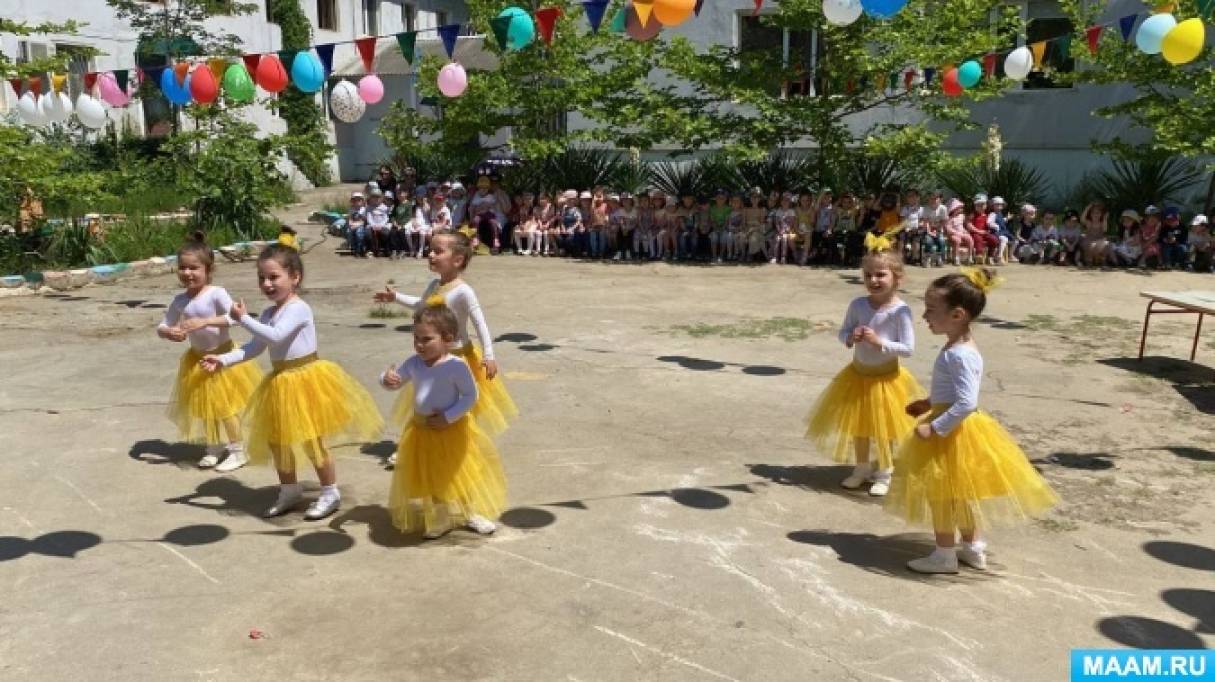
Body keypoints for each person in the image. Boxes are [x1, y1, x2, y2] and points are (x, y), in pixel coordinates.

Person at [887, 268, 1058, 574]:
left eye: (931, 310)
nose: (924, 316)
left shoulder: (959, 355)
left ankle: (944, 555)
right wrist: (928, 403)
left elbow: (967, 402)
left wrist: (935, 426)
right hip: (956, 424)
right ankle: (973, 547)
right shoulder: (960, 347)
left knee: (942, 495)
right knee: (960, 493)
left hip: (951, 431)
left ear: (957, 315)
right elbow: (954, 392)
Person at [201, 245, 383, 519]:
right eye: (262, 278)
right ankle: (289, 490)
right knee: (278, 441)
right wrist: (223, 359)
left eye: (274, 277)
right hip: (280, 382)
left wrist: (243, 319)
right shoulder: (267, 313)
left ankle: (329, 491)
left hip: (306, 379)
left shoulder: (299, 308)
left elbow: (276, 336)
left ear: (295, 277)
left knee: (312, 439)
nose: (267, 284)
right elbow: (254, 347)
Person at [375, 231, 517, 446]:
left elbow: (480, 323)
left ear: (457, 260)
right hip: (433, 355)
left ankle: (462, 446)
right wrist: (396, 297)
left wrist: (489, 355)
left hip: (459, 356)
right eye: (430, 250)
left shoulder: (464, 291)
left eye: (438, 251)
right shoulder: (434, 285)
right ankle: (424, 444)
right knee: (432, 400)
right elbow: (422, 305)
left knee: (460, 407)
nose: (430, 254)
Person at [381, 301, 507, 538]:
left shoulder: (456, 366)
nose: (419, 344)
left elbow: (471, 396)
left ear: (447, 338)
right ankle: (441, 518)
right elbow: (396, 381)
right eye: (416, 338)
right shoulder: (414, 363)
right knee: (433, 476)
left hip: (451, 431)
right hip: (421, 430)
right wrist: (386, 379)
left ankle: (469, 512)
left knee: (459, 472)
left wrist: (448, 417)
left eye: (427, 339)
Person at [805, 249, 922, 496]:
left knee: (883, 429)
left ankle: (885, 472)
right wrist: (850, 337)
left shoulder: (900, 311)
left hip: (886, 380)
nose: (873, 280)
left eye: (881, 275)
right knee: (859, 427)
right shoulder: (858, 305)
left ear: (897, 277)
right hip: (858, 376)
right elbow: (843, 331)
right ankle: (861, 468)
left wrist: (880, 343)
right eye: (868, 275)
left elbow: (908, 348)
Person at [158, 233, 262, 471]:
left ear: (208, 269)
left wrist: (205, 322)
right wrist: (169, 332)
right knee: (206, 407)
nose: (187, 273)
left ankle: (238, 451)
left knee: (225, 408)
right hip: (197, 360)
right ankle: (214, 446)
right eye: (182, 268)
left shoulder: (216, 293)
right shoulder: (180, 300)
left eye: (194, 268)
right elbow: (162, 325)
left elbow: (234, 318)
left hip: (222, 358)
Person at [967, 194, 1000, 263]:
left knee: (994, 239)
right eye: (978, 205)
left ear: (986, 205)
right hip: (975, 233)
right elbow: (969, 225)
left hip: (985, 233)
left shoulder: (988, 215)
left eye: (982, 204)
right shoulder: (973, 215)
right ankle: (979, 254)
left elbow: (990, 225)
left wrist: (990, 229)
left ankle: (990, 256)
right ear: (975, 206)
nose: (980, 207)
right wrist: (978, 231)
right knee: (978, 238)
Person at [944, 198, 973, 266]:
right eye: (959, 208)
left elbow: (962, 226)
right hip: (952, 234)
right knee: (957, 240)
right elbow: (948, 229)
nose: (961, 210)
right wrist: (956, 233)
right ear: (954, 209)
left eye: (961, 208)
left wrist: (965, 231)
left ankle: (970, 257)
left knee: (970, 239)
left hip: (961, 233)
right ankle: (956, 258)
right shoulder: (949, 218)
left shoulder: (961, 216)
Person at [1079, 201, 1110, 267]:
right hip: (1089, 240)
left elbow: (1105, 229)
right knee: (1091, 245)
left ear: (1101, 214)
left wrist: (1105, 219)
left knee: (1106, 244)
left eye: (1098, 213)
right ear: (1090, 214)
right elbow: (1082, 219)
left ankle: (1103, 260)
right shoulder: (1089, 222)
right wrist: (1087, 208)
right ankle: (1089, 260)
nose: (1095, 215)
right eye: (1093, 213)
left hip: (1099, 240)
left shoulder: (1102, 223)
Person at [366, 188, 391, 257]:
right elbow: (369, 217)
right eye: (374, 197)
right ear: (371, 198)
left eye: (378, 197)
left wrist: (380, 225)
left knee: (386, 233)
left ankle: (386, 249)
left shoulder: (385, 207)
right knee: (368, 233)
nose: (376, 199)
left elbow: (386, 218)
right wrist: (373, 225)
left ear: (381, 198)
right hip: (372, 225)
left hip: (382, 225)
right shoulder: (369, 207)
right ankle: (371, 250)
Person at [346, 191, 368, 257]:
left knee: (359, 233)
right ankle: (353, 247)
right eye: (355, 200)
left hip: (361, 225)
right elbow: (350, 219)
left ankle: (359, 249)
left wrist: (357, 225)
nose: (357, 202)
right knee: (349, 232)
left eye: (359, 200)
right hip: (353, 224)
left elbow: (364, 221)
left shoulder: (364, 209)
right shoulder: (351, 209)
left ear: (362, 201)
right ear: (352, 201)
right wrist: (351, 224)